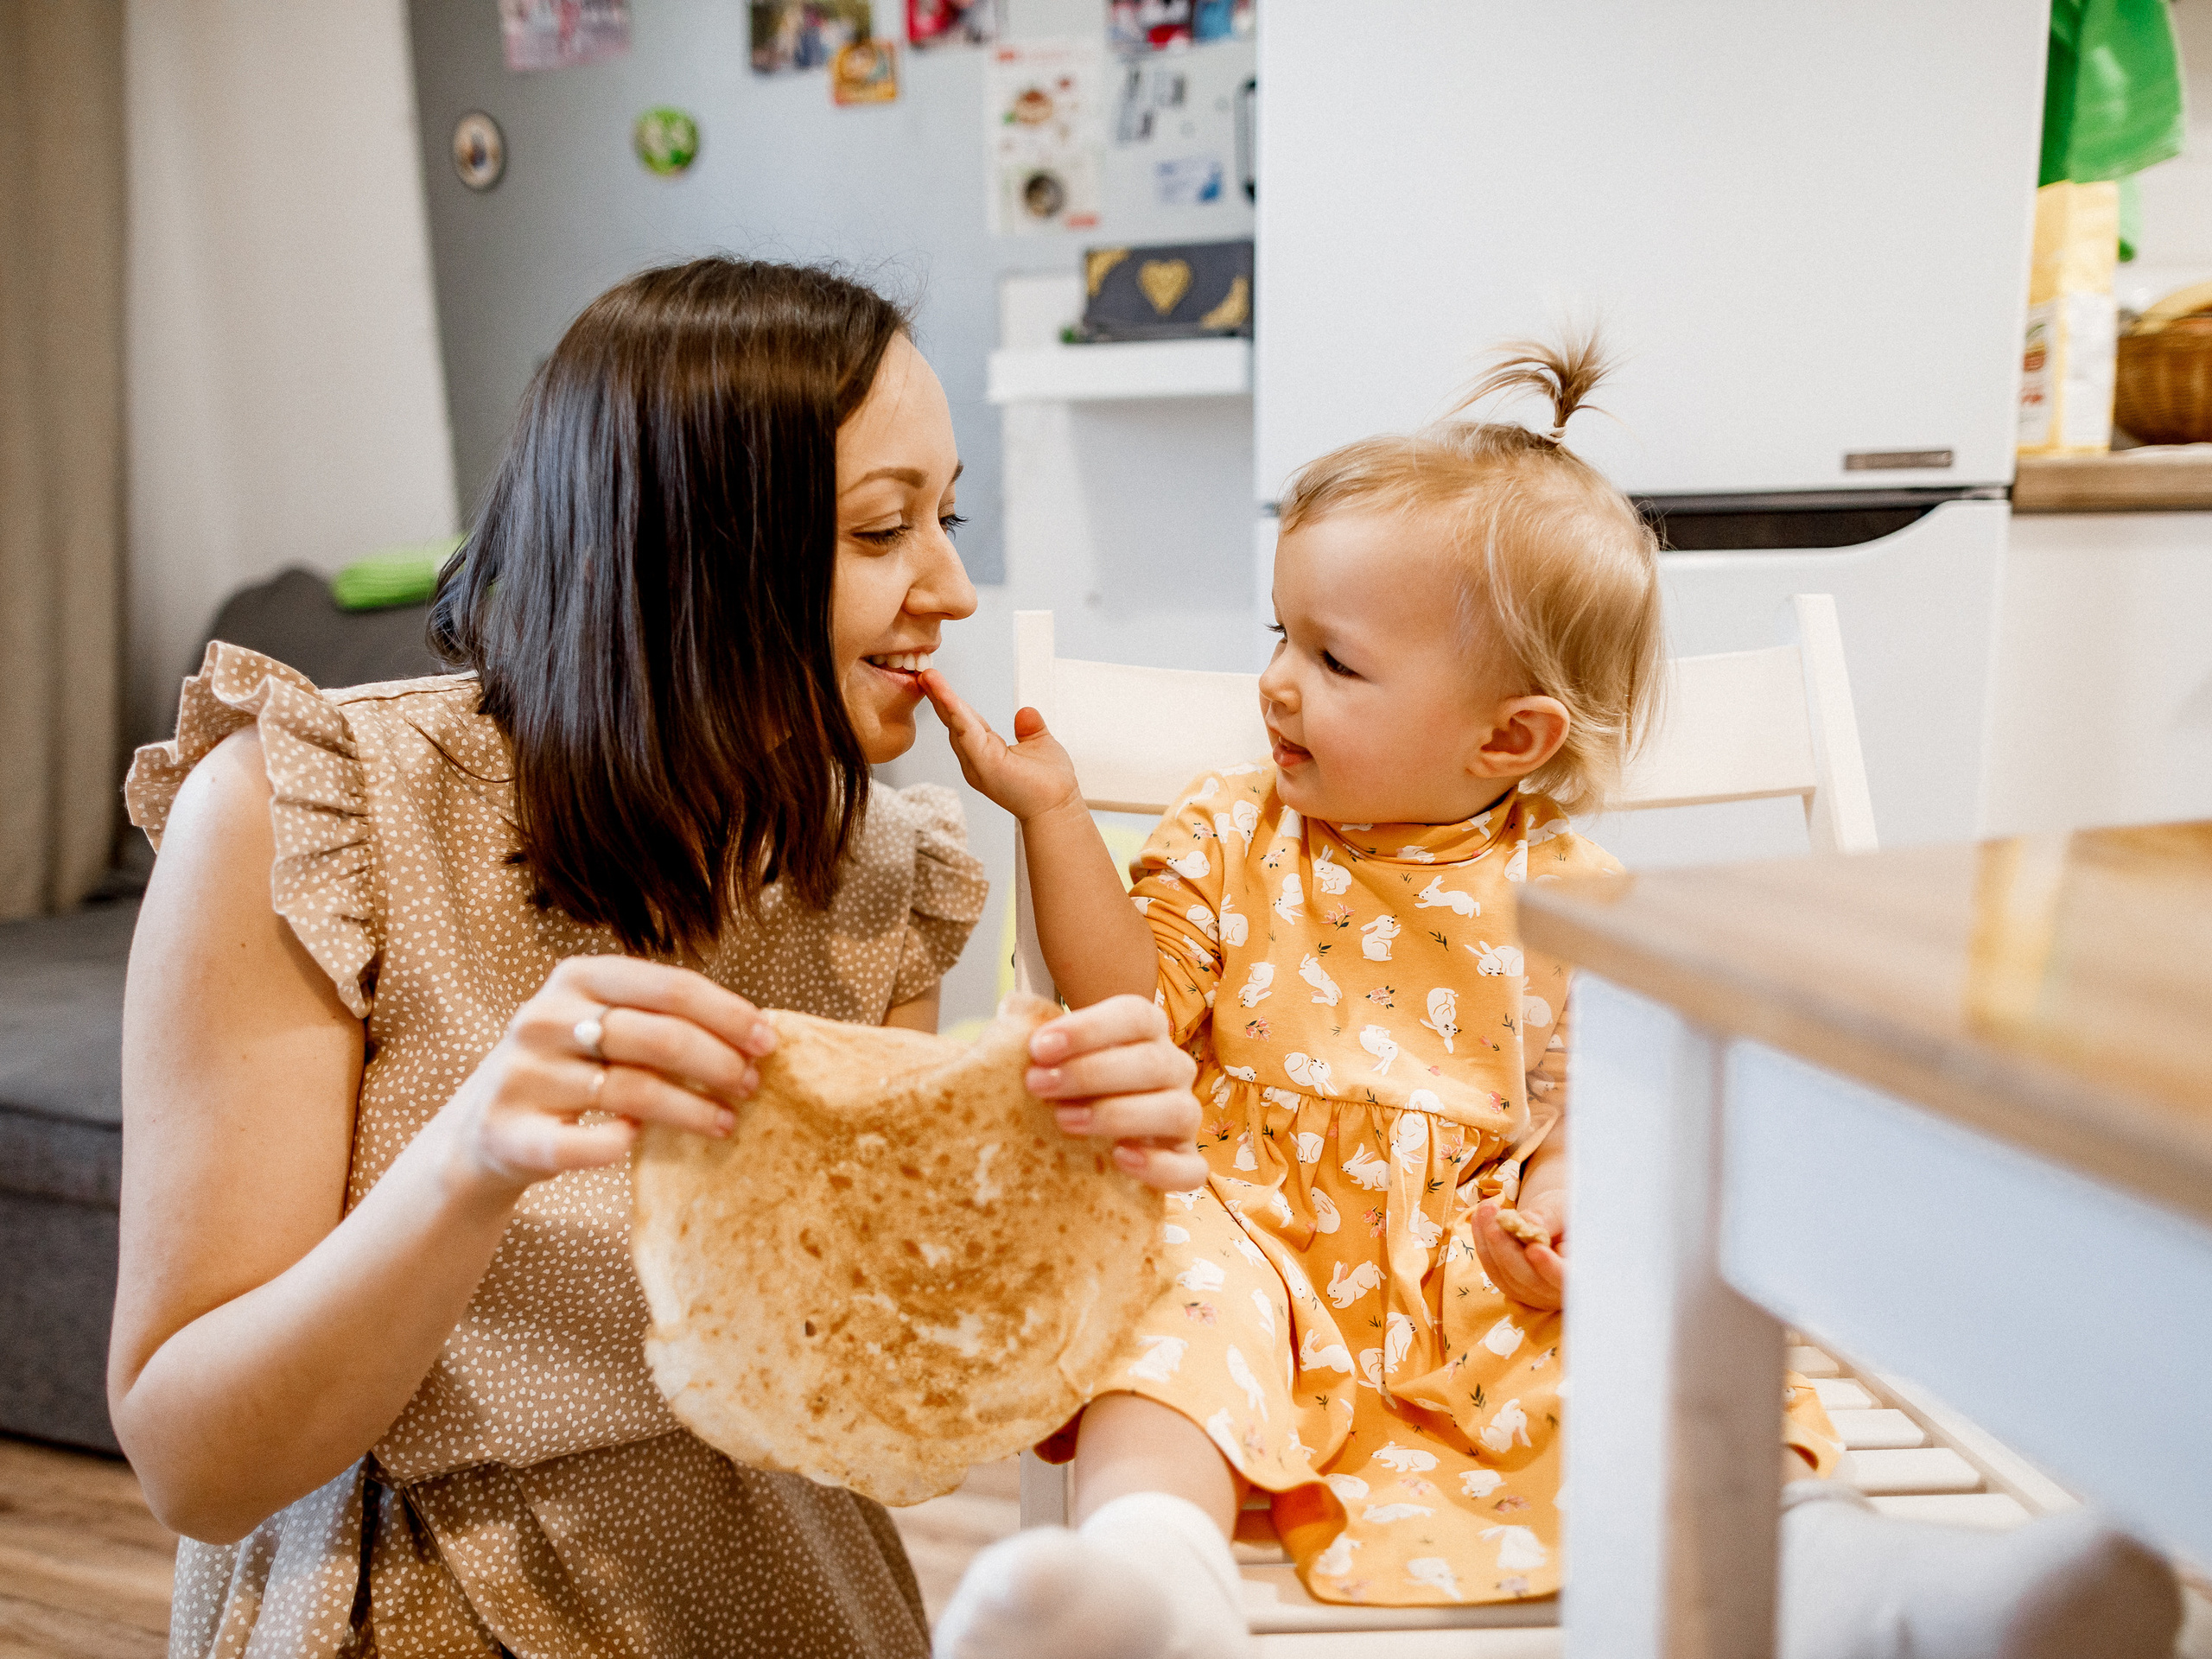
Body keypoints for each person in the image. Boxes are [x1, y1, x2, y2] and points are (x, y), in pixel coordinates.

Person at [921, 340, 2183, 1659]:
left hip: (1475, 1271)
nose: (1280, 681)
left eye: (1336, 661)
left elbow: (1601, 1112)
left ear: (1509, 738)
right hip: (1250, 1246)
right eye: (1282, 635)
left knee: (1649, 1317)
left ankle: (1850, 1579)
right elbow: (1126, 1004)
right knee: (1164, 1287)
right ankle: (1152, 1574)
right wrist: (1059, 816)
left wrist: (1565, 1205)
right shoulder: (1234, 831)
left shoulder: (1571, 895)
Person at [111, 257, 1205, 1659]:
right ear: (683, 548)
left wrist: (1047, 1189)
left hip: (792, 1596)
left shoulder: (882, 874)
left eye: (950, 517)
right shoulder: (309, 810)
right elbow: (194, 1467)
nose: (952, 588)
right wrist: (470, 1163)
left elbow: (881, 1421)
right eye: (883, 530)